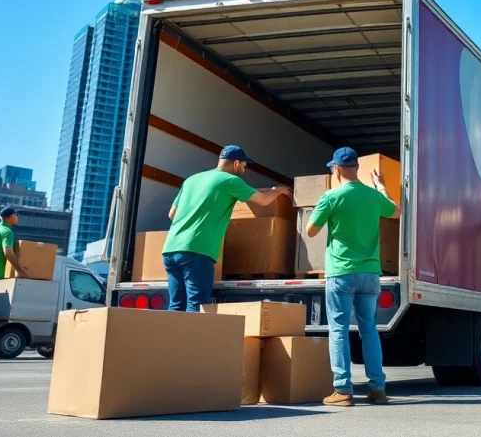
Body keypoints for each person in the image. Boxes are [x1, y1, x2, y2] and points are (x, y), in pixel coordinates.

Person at [307, 147, 399, 407]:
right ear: (356, 168)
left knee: (338, 330)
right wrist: (381, 186)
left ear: (336, 169)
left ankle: (343, 391)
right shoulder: (372, 196)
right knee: (369, 329)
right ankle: (378, 388)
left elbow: (310, 230)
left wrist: (324, 210)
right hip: (370, 273)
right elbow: (397, 211)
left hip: (341, 273)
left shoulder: (330, 197)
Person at [162, 145, 292, 312]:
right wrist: (278, 190)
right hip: (197, 250)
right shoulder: (230, 181)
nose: (244, 171)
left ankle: (173, 339)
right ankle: (192, 339)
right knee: (196, 306)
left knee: (176, 305)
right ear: (236, 163)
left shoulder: (191, 180)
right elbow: (264, 200)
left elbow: (172, 214)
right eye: (244, 166)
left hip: (170, 249)